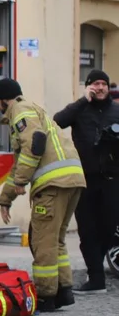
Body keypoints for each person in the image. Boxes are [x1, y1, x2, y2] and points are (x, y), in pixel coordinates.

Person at [0, 78, 85, 310]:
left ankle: (46, 296)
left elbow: (35, 143)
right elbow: (20, 163)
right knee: (57, 240)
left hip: (53, 185)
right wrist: (6, 200)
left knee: (42, 241)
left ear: (4, 99)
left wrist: (22, 181)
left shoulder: (20, 111)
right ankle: (64, 291)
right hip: (72, 179)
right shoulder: (33, 108)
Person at [53, 69, 119, 293]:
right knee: (88, 230)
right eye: (95, 84)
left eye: (104, 84)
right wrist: (82, 100)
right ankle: (96, 278)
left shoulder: (117, 110)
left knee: (109, 228)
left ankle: (97, 268)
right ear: (89, 86)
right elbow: (57, 122)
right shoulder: (80, 110)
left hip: (112, 179)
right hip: (85, 180)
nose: (100, 87)